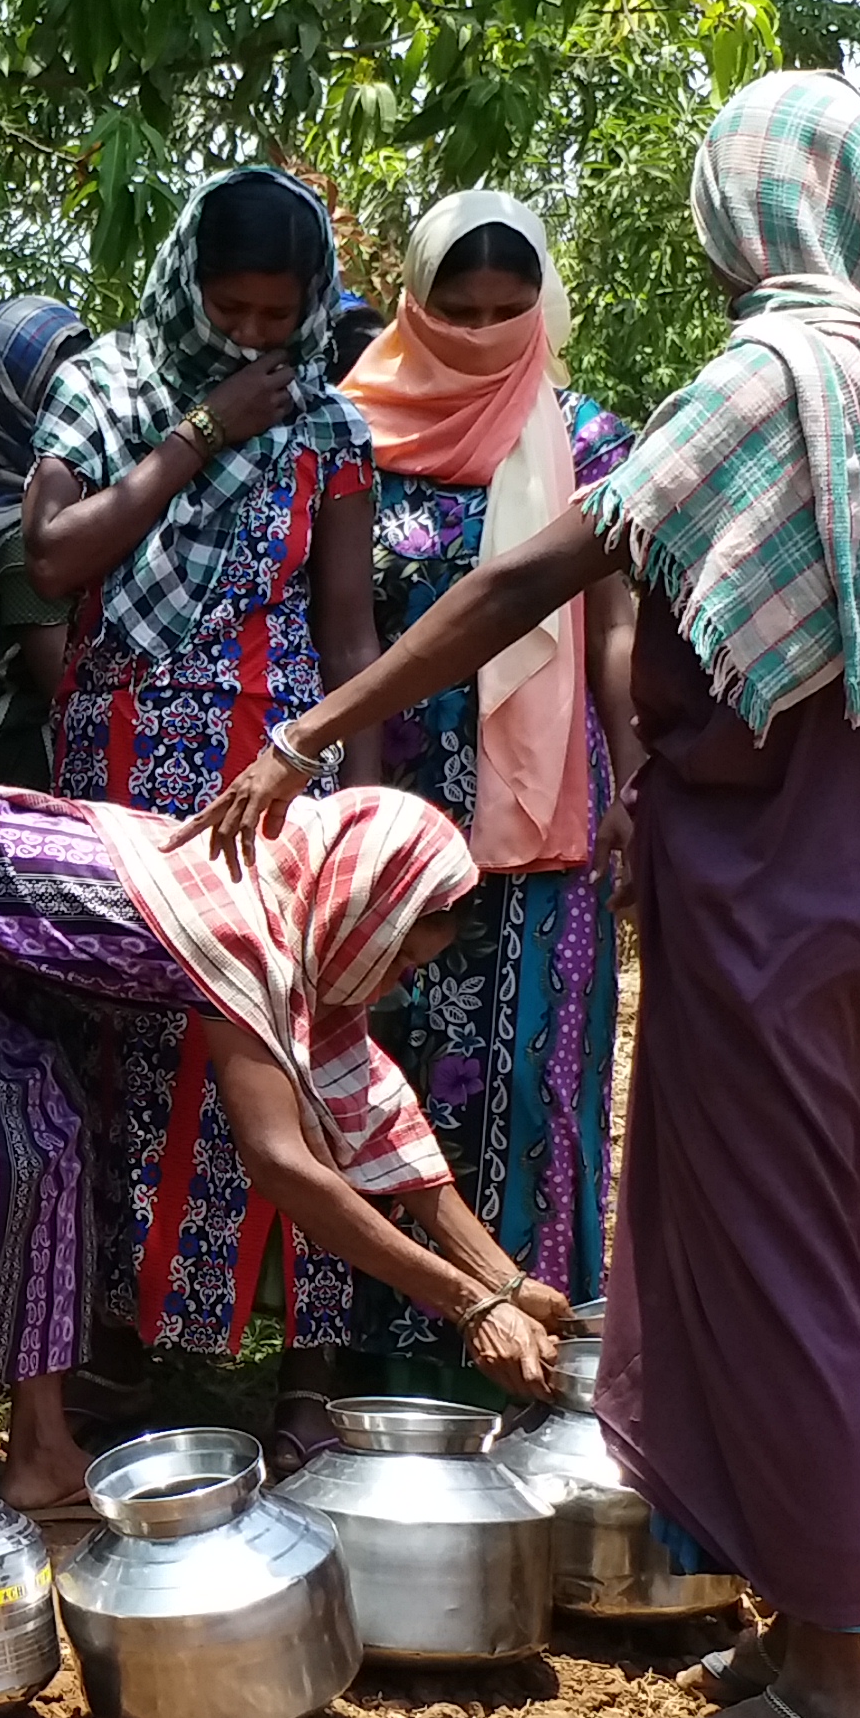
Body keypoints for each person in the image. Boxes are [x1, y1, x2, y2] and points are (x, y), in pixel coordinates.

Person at [206, 73, 860, 1718]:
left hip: (776, 888)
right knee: (780, 1237)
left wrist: (302, 730)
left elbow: (524, 585)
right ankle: (794, 1615)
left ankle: (832, 1693)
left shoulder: (772, 373)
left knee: (782, 1265)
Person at [0, 776, 570, 1506]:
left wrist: (504, 1283)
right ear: (369, 906)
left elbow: (376, 1111)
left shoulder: (296, 906)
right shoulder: (246, 925)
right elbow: (281, 1162)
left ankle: (42, 1449)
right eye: (399, 954)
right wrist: (468, 1305)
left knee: (51, 1148)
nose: (399, 980)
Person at [21, 168, 385, 1437]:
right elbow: (56, 555)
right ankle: (123, 1350)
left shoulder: (335, 429)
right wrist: (205, 431)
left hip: (277, 780)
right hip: (127, 777)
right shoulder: (109, 388)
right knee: (130, 1045)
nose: (253, 338)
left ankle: (307, 1374)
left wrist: (369, 812)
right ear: (187, 285)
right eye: (230, 309)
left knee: (294, 1040)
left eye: (278, 318)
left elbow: (350, 635)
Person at [330, 191, 637, 1396]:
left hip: (543, 808)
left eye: (510, 315)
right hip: (391, 804)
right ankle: (383, 1357)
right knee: (380, 1063)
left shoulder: (592, 442)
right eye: (457, 313)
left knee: (532, 1076)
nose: (483, 337)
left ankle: (541, 1341)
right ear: (414, 301)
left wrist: (636, 766)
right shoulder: (354, 427)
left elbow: (610, 626)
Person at [0, 296, 98, 790]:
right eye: (54, 394)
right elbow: (70, 686)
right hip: (32, 784)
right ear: (13, 405)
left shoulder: (50, 517)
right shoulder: (22, 545)